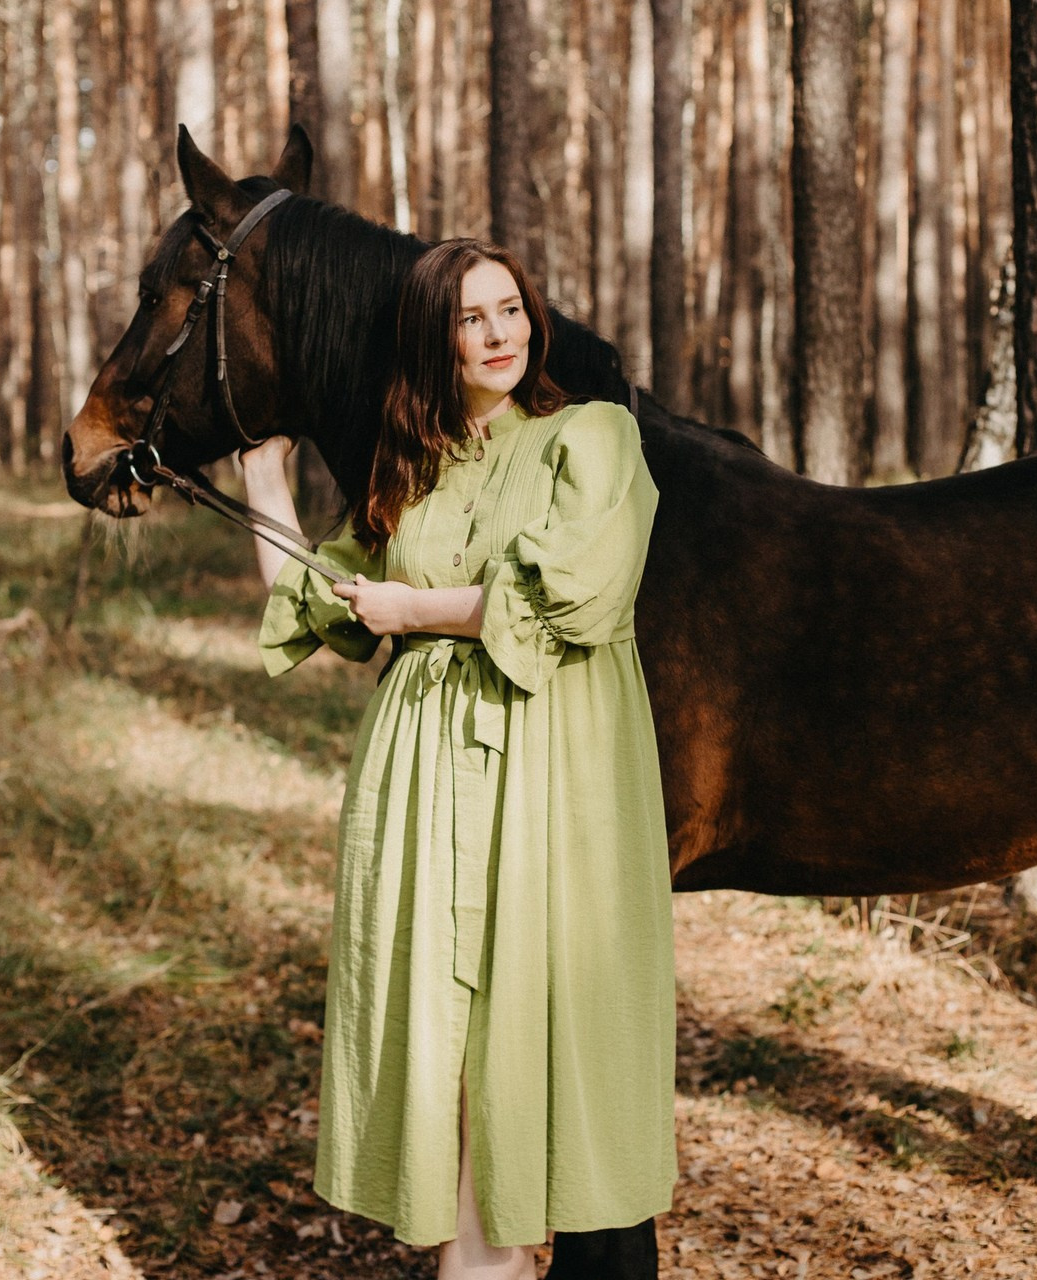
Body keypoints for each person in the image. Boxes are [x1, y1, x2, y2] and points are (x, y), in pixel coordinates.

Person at [241, 239, 676, 1280]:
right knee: (445, 1023)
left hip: (552, 766)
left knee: (541, 1011)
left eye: (509, 309)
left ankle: (532, 1244)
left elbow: (578, 589)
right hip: (423, 776)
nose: (498, 334)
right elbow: (315, 599)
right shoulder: (413, 471)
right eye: (470, 318)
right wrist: (262, 477)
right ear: (434, 342)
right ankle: (480, 1258)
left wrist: (414, 608)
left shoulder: (591, 434)